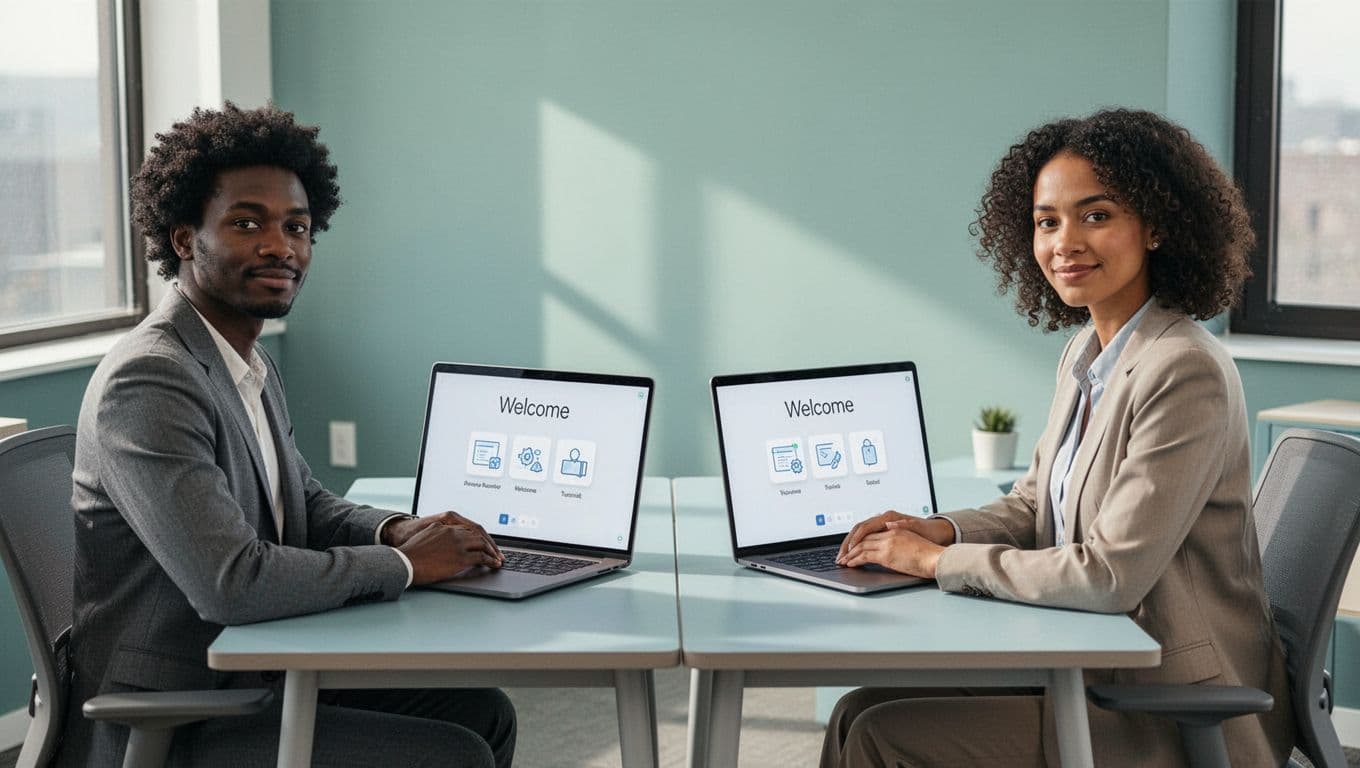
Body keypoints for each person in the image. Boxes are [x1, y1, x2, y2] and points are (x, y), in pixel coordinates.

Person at [821, 108, 1296, 767]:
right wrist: (939, 530)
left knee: (884, 735)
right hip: (1093, 658)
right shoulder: (1087, 353)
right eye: (1048, 221)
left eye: (1096, 215)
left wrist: (934, 565)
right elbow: (1035, 504)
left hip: (1163, 701)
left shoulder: (1184, 369)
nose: (1064, 241)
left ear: (1157, 225)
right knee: (857, 710)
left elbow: (1109, 575)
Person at [63, 103, 516, 768]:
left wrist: (399, 531)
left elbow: (303, 504)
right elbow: (232, 582)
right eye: (248, 223)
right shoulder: (153, 380)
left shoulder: (241, 359)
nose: (282, 246)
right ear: (185, 238)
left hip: (257, 670)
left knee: (483, 713)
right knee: (451, 755)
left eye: (297, 227)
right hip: (181, 711)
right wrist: (411, 566)